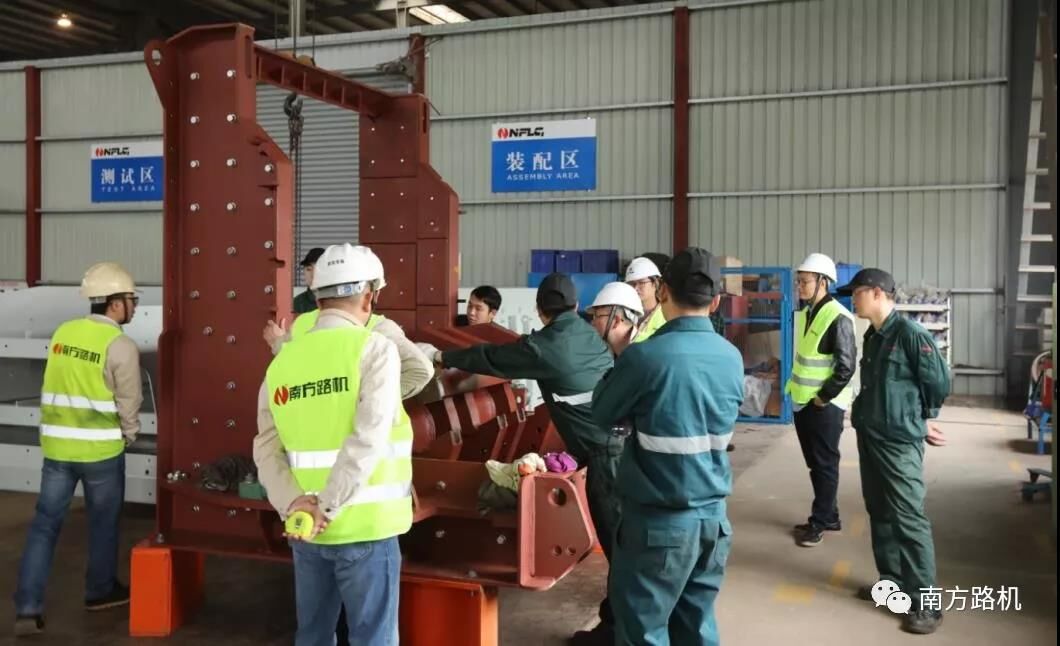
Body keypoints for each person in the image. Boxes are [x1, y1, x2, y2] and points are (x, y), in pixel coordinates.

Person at [428, 273, 615, 645]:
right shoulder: (588, 334)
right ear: (577, 306)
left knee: (620, 547)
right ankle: (618, 625)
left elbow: (495, 358)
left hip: (607, 459)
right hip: (616, 449)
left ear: (540, 310)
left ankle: (617, 632)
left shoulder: (545, 347)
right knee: (623, 546)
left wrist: (440, 356)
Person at [254, 243, 413, 646]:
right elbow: (368, 438)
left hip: (306, 529)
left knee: (313, 635)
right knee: (373, 638)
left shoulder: (282, 362)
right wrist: (326, 506)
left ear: (318, 297)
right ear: (368, 296)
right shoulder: (374, 349)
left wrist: (295, 504)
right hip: (366, 528)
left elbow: (266, 447)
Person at [592, 248, 743, 646]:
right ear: (715, 301)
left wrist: (622, 359)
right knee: (696, 626)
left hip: (658, 527)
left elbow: (603, 413)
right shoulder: (731, 358)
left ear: (662, 293)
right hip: (713, 523)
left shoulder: (645, 357)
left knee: (644, 631)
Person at [14, 262, 143, 636]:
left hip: (57, 450)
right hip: (101, 453)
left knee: (44, 526)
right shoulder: (120, 345)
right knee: (103, 524)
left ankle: (27, 608)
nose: (134, 305)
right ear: (115, 303)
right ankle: (99, 591)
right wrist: (128, 437)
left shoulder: (63, 333)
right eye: (131, 299)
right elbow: (129, 403)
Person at [837, 268, 950, 635]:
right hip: (871, 435)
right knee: (880, 511)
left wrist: (922, 417)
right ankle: (893, 585)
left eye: (856, 293)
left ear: (876, 293)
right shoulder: (873, 336)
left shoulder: (910, 335)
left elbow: (938, 382)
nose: (852, 299)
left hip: (898, 442)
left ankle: (927, 604)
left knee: (908, 517)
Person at [263, 247, 433, 401]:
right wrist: (370, 399)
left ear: (318, 297)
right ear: (371, 296)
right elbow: (420, 370)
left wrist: (278, 342)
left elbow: (288, 365)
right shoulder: (379, 329)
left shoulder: (302, 324)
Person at [785, 253, 857, 548]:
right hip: (805, 401)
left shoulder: (838, 316)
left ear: (823, 282)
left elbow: (846, 366)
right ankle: (830, 515)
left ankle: (819, 522)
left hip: (823, 405)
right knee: (817, 464)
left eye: (805, 281)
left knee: (824, 464)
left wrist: (823, 398)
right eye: (799, 281)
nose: (799, 286)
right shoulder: (809, 312)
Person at [624, 256, 667, 342]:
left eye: (641, 283)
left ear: (655, 283)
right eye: (632, 284)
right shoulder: (622, 312)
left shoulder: (667, 314)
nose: (636, 288)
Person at [293, 247, 326, 314]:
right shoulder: (297, 303)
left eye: (317, 270)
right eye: (309, 269)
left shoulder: (336, 300)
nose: (313, 275)